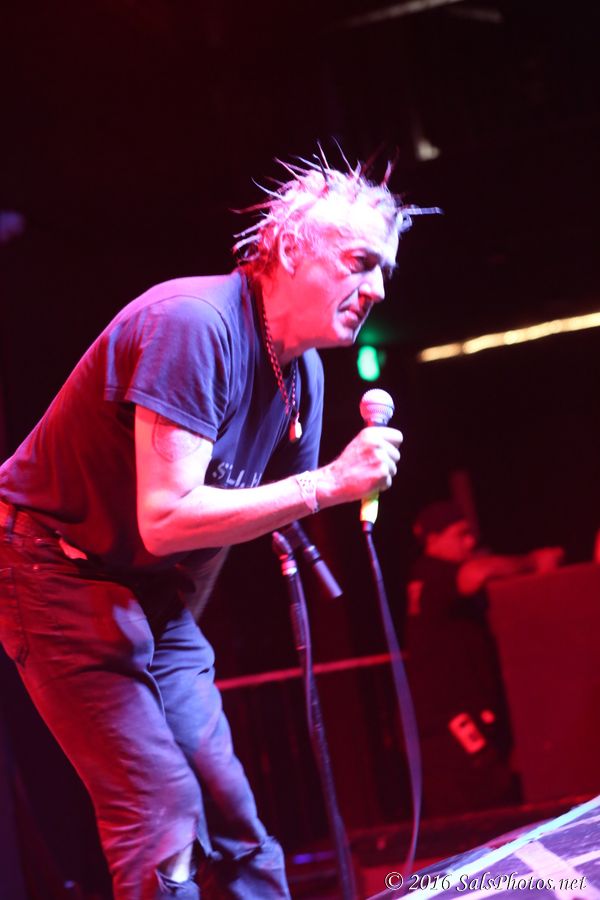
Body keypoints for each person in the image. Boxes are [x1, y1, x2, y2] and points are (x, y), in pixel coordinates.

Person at [0, 156, 413, 899]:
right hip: (48, 569)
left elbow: (231, 522)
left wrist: (173, 626)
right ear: (292, 249)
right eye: (360, 262)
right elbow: (167, 518)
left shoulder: (303, 374)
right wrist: (328, 484)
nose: (378, 287)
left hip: (149, 589)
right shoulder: (193, 324)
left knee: (229, 804)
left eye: (384, 269)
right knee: (161, 813)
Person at [405, 500, 563, 816]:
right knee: (484, 801)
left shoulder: (436, 580)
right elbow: (476, 573)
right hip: (454, 723)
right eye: (460, 534)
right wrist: (533, 562)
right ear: (434, 539)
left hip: (465, 717)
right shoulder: (433, 573)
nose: (469, 543)